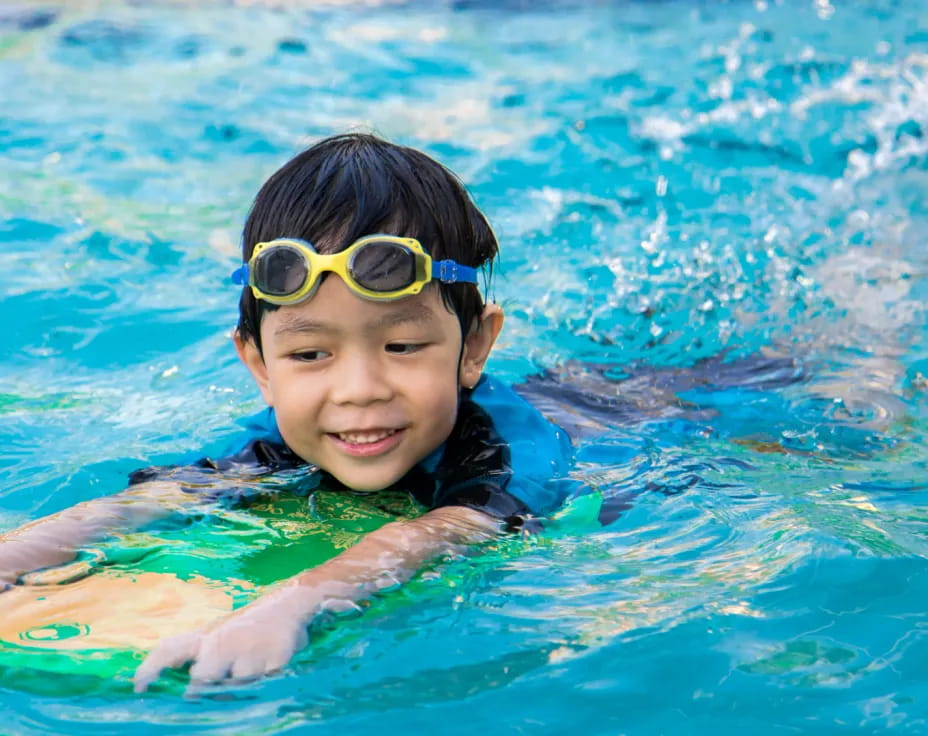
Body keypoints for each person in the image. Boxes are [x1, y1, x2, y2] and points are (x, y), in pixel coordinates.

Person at [0, 133, 574, 691]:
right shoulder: (276, 439)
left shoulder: (509, 449)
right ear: (260, 367)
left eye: (401, 347)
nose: (357, 390)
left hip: (618, 410)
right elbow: (147, 502)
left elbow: (449, 531)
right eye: (309, 354)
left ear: (473, 347)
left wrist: (294, 603)